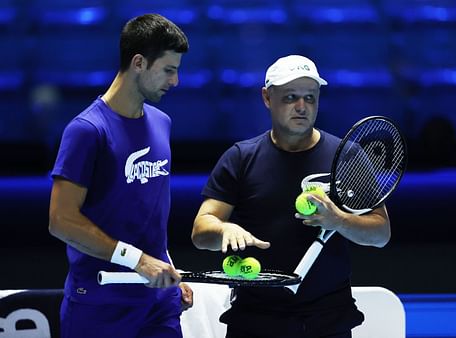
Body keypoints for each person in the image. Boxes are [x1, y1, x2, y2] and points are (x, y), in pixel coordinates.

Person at [191, 55, 391, 338]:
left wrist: (340, 221)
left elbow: (381, 233)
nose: (301, 106)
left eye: (310, 98)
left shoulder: (347, 156)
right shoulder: (240, 158)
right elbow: (201, 231)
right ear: (267, 97)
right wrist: (224, 229)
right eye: (290, 97)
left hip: (329, 321)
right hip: (254, 320)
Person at [48, 14, 193, 338]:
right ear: (138, 62)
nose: (175, 82)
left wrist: (166, 267)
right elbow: (60, 220)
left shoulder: (162, 123)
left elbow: (148, 214)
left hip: (159, 304)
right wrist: (138, 260)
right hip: (99, 305)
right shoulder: (86, 130)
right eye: (169, 70)